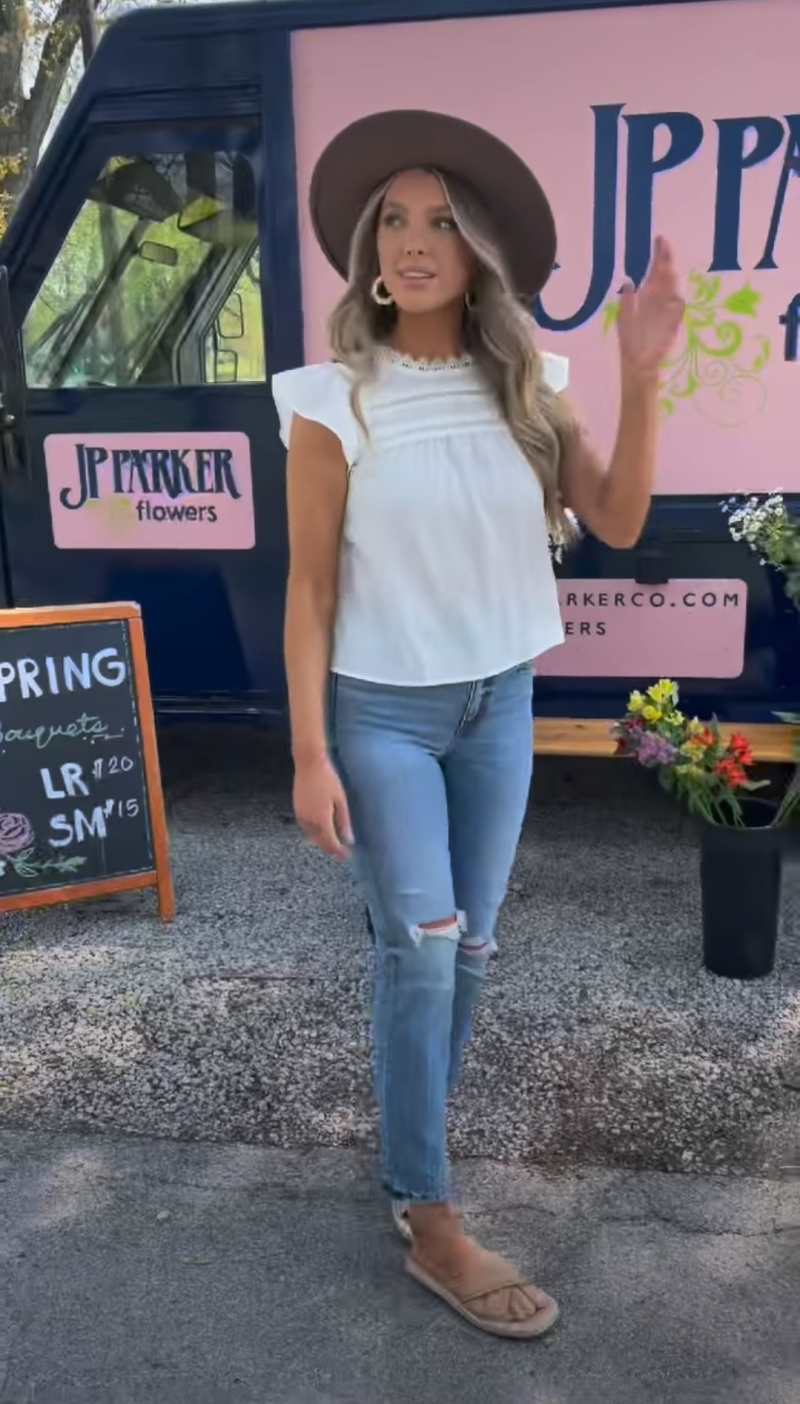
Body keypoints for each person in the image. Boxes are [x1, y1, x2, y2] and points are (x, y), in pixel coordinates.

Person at [272, 109, 683, 1340]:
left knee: (468, 951)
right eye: (391, 221)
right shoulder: (331, 400)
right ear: (366, 250)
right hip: (382, 713)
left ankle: (413, 1147)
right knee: (424, 945)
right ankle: (430, 1210)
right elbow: (309, 587)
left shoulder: (528, 385)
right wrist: (307, 752)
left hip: (499, 700)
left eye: (440, 221)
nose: (411, 241)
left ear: (479, 250)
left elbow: (615, 519)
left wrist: (641, 374)